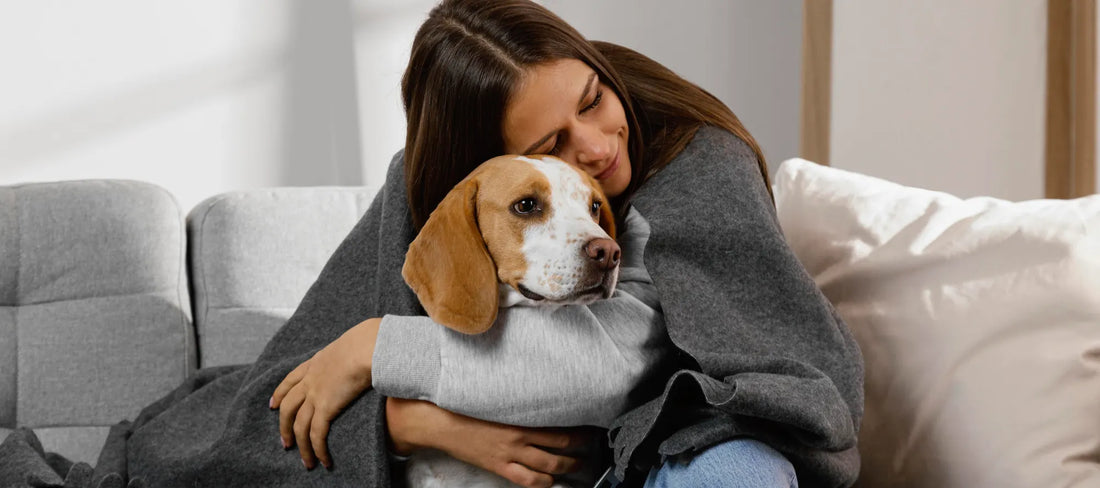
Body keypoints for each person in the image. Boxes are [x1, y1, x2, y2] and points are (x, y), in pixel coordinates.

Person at [269, 1, 863, 488]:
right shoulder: (436, 193)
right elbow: (279, 397)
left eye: (593, 100)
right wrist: (411, 425)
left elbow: (610, 367)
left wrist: (375, 347)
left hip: (689, 438)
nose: (600, 148)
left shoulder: (699, 166)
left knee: (737, 474)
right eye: (551, 145)